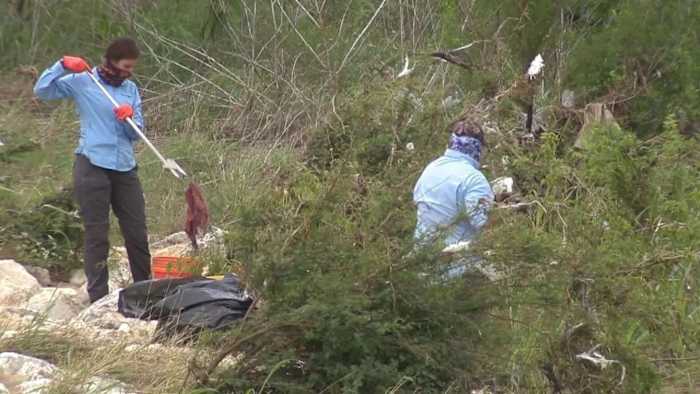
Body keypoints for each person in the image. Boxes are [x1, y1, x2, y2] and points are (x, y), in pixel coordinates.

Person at [34, 37, 151, 302]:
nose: (128, 72)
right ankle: (99, 297)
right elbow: (42, 91)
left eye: (132, 68)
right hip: (92, 165)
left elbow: (137, 134)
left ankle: (146, 292)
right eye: (125, 66)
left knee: (136, 232)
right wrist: (62, 65)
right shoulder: (83, 81)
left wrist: (129, 118)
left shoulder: (130, 89)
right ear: (111, 62)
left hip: (124, 167)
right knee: (97, 234)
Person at [413, 118, 494, 250]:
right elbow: (483, 224)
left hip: (419, 259)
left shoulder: (431, 168)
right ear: (479, 148)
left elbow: (417, 201)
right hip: (456, 262)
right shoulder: (475, 180)